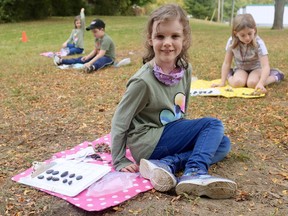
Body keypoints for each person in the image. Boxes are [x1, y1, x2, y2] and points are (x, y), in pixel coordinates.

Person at [111, 4, 237, 199]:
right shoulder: (142, 81)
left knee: (222, 144)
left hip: (168, 134)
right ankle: (194, 172)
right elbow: (120, 120)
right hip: (147, 142)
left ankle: (167, 163)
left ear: (184, 39)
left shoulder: (185, 69)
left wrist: (187, 134)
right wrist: (119, 160)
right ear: (150, 39)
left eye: (175, 36)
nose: (167, 43)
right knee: (213, 125)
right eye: (160, 36)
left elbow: (182, 109)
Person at [212, 14, 284, 92]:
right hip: (241, 68)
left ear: (254, 30)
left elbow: (265, 66)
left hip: (257, 68)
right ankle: (230, 74)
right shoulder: (231, 42)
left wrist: (261, 83)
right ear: (236, 33)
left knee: (253, 83)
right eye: (242, 35)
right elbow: (226, 63)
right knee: (237, 83)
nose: (247, 38)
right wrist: (222, 81)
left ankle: (276, 75)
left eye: (250, 33)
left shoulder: (259, 43)